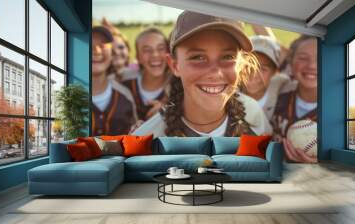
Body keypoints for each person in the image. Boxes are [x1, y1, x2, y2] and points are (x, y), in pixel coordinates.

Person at [133, 11, 272, 137]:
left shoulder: (254, 115)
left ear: (241, 64)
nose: (215, 73)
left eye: (228, 57)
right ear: (174, 65)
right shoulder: (148, 139)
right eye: (198, 57)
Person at [271, 35, 318, 163]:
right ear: (290, 63)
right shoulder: (279, 89)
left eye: (321, 57)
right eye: (303, 58)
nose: (312, 65)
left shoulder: (341, 110)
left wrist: (322, 164)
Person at [91, 25, 137, 136]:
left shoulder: (125, 94)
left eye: (102, 46)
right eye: (90, 45)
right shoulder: (71, 94)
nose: (96, 51)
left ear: (112, 54)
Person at [122, 27, 170, 121]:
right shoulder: (125, 88)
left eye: (161, 48)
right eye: (147, 50)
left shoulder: (179, 88)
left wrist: (167, 109)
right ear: (138, 57)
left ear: (168, 53)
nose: (155, 54)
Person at [241, 35, 292, 120]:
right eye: (248, 65)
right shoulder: (230, 92)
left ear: (275, 72)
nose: (254, 74)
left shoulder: (282, 86)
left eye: (263, 69)